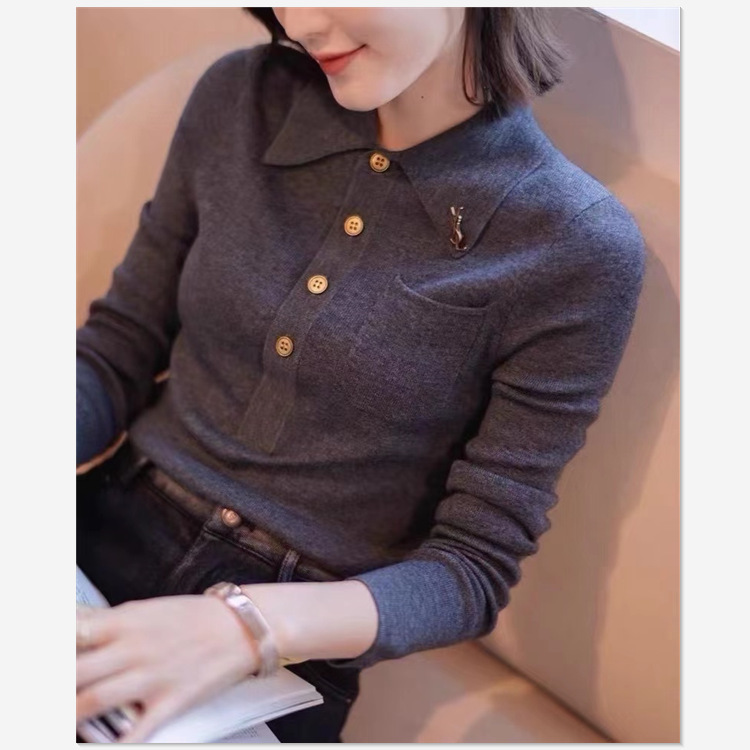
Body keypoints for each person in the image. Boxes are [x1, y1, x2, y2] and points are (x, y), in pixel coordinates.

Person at [76, 7, 647, 744]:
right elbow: (115, 351)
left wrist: (244, 628)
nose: (300, 22)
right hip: (95, 528)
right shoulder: (243, 97)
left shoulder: (576, 246)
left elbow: (469, 571)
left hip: (287, 643)